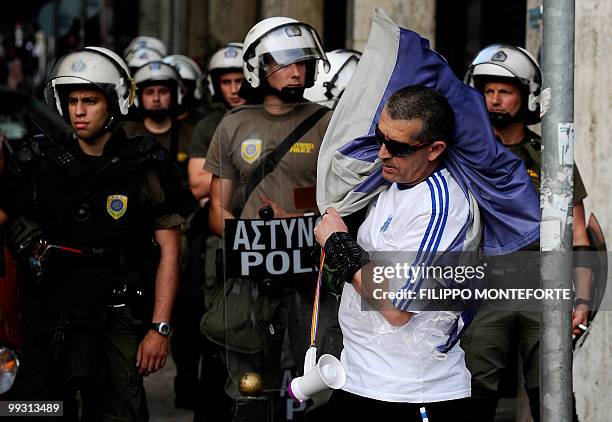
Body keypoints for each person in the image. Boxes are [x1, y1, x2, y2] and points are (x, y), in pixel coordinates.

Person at [0, 46, 182, 420]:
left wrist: (159, 328)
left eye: (90, 101)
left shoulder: (145, 166)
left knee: (119, 412)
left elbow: (169, 252)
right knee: (35, 411)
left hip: (116, 313)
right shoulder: (37, 163)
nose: (78, 111)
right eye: (72, 101)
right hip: (49, 317)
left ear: (113, 102)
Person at [203, 16, 340, 414]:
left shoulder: (327, 123)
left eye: (302, 62)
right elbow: (217, 210)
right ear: (258, 67)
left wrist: (295, 217)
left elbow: (341, 202)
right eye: (284, 62)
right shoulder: (233, 125)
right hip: (251, 273)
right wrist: (249, 230)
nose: (296, 70)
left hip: (308, 272)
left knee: (316, 382)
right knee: (248, 385)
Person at [313, 85, 476, 421]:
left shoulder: (440, 206)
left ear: (434, 150)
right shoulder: (390, 181)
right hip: (360, 378)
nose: (383, 153)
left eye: (398, 147)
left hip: (410, 393)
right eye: (380, 138)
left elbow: (397, 309)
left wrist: (339, 245)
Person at [462, 43, 592, 421]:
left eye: (505, 91)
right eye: (487, 91)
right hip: (482, 286)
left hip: (543, 287)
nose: (495, 100)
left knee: (552, 396)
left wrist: (582, 301)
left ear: (528, 95)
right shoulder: (465, 153)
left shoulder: (551, 154)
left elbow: (579, 238)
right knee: (472, 394)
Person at [163, 54, 206, 125]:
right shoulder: (150, 124)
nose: (179, 91)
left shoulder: (202, 123)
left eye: (184, 85)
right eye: (173, 86)